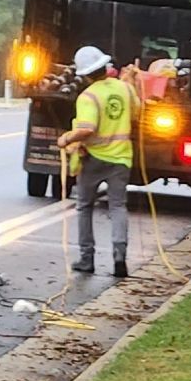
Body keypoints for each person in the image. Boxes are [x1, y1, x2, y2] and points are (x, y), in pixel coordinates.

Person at [56, 44, 131, 278]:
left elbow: (87, 129)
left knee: (85, 207)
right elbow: (138, 113)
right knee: (118, 206)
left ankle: (87, 259)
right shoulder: (126, 89)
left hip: (94, 159)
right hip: (121, 158)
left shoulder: (88, 96)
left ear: (86, 74)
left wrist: (66, 138)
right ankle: (120, 256)